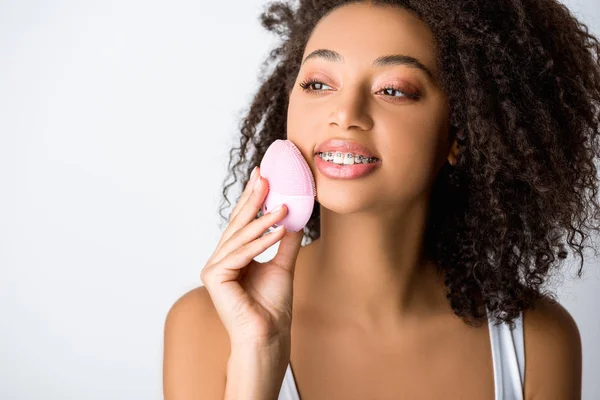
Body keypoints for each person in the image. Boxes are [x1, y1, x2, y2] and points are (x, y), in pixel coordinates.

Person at [163, 0, 600, 398]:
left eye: (393, 90)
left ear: (461, 134)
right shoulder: (209, 327)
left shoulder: (538, 343)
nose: (346, 113)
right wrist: (258, 356)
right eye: (318, 83)